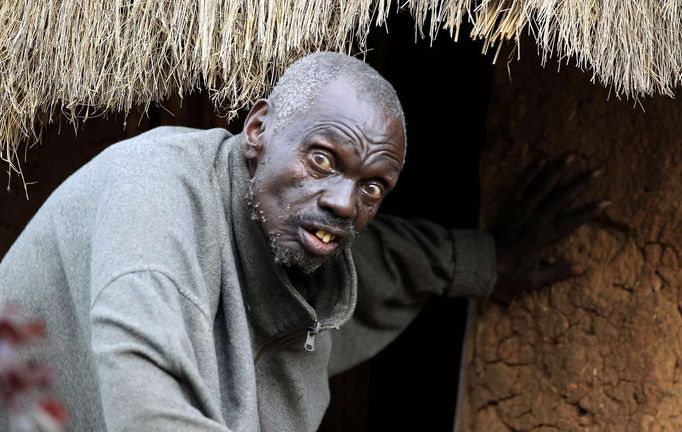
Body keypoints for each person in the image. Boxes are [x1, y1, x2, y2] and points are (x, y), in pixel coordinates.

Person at [0, 52, 607, 431]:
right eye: (322, 158)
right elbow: (149, 407)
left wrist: (484, 261)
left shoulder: (300, 236)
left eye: (373, 187)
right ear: (259, 129)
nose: (345, 202)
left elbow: (376, 262)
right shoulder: (155, 200)